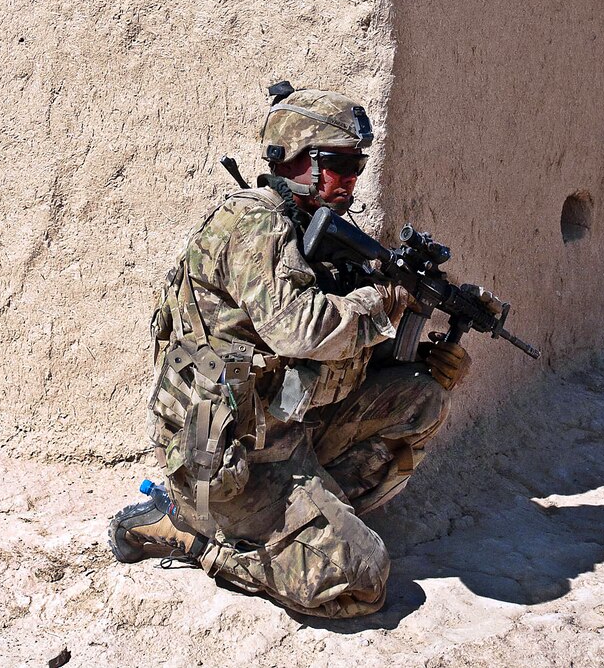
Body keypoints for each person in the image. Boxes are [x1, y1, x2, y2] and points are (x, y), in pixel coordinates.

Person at [108, 82, 471, 618]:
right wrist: (386, 302)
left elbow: (323, 362)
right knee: (362, 580)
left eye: (358, 166)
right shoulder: (254, 225)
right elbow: (299, 330)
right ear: (295, 158)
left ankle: (306, 523)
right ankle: (191, 534)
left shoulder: (313, 232)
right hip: (225, 459)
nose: (352, 179)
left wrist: (425, 361)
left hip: (282, 430)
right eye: (339, 165)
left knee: (422, 397)